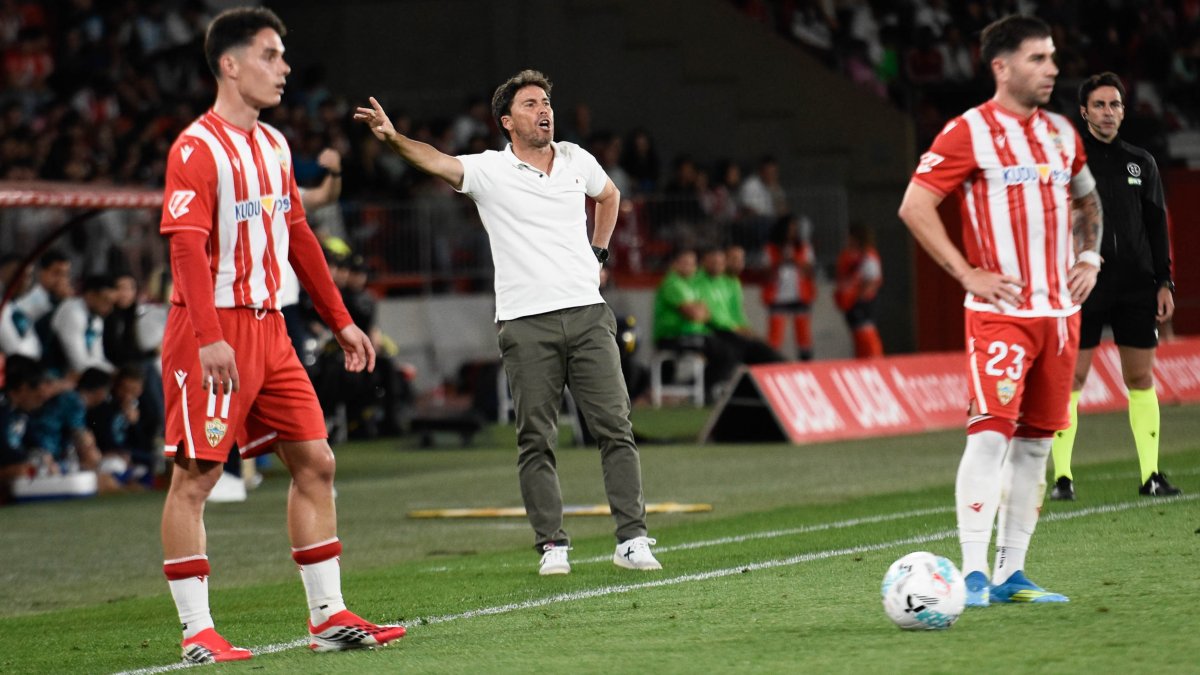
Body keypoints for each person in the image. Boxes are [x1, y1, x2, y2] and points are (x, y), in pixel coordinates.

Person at [157, 7, 404, 663]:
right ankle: (197, 632)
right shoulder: (195, 147)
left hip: (272, 330)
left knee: (317, 461)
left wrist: (342, 320)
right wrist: (209, 337)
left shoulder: (273, 146)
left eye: (284, 55)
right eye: (270, 54)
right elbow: (185, 247)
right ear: (230, 65)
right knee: (196, 474)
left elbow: (298, 239)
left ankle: (327, 616)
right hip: (211, 329)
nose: (285, 67)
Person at [356, 69, 661, 575]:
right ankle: (553, 545)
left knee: (616, 428)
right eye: (530, 104)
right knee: (536, 438)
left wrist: (599, 253)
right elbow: (434, 160)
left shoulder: (575, 158)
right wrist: (392, 139)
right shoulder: (488, 171)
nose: (544, 110)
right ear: (506, 120)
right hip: (524, 323)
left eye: (546, 102)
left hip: (588, 314)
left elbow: (609, 197)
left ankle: (632, 539)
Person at [897, 15, 1103, 608]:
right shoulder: (968, 132)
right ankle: (972, 572)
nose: (1053, 69)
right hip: (1001, 313)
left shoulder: (1064, 133)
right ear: (1001, 67)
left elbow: (1088, 197)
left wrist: (1090, 255)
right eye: (1039, 58)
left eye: (1053, 57)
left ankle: (1013, 572)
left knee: (1037, 445)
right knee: (990, 437)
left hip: (1061, 314)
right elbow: (916, 206)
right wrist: (967, 273)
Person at [1049, 72, 1181, 500]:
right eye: (1100, 105)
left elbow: (1156, 226)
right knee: (1074, 378)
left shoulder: (1141, 162)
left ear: (1125, 111)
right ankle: (1063, 478)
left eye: (1116, 105)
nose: (1109, 113)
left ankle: (1151, 476)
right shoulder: (1069, 161)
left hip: (1137, 285)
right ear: (1084, 111)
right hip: (1084, 284)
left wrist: (1164, 281)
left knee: (1140, 377)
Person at [763, 214, 817, 360]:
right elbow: (766, 273)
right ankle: (770, 363)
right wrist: (780, 261)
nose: (793, 231)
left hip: (800, 295)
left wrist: (796, 260)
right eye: (790, 227)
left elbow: (810, 271)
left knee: (804, 334)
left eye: (795, 227)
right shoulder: (771, 248)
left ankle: (806, 364)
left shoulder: (804, 247)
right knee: (775, 336)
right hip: (778, 296)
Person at [834, 223, 884, 358]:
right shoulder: (846, 255)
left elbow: (871, 282)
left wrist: (858, 298)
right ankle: (862, 365)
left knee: (867, 336)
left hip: (862, 303)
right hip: (848, 303)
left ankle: (876, 364)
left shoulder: (868, 255)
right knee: (857, 338)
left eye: (850, 237)